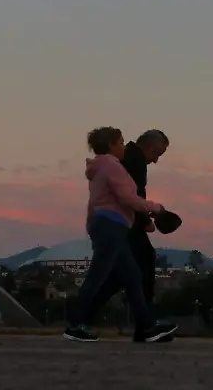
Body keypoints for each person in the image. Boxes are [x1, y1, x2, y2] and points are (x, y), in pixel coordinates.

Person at [64, 127, 178, 343]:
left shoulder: (102, 167)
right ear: (111, 145)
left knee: (132, 276)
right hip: (112, 226)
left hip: (110, 225)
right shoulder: (112, 166)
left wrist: (92, 225)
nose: (124, 146)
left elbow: (97, 202)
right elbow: (129, 197)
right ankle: (76, 324)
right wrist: (157, 209)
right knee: (98, 276)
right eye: (120, 142)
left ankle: (146, 326)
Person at [121, 129, 170, 307]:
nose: (156, 160)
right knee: (145, 261)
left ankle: (80, 318)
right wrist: (146, 221)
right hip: (128, 221)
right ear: (149, 146)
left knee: (117, 272)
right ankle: (146, 318)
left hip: (119, 220)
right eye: (157, 154)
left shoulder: (127, 156)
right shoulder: (136, 161)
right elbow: (135, 196)